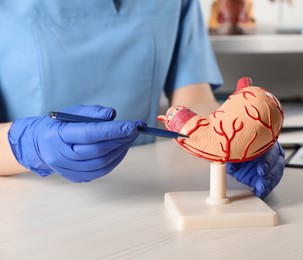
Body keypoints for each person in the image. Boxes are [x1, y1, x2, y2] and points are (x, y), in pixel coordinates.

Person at [0, 0, 284, 199]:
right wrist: (26, 143)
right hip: (24, 198)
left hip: (146, 194)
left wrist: (236, 132)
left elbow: (194, 98)